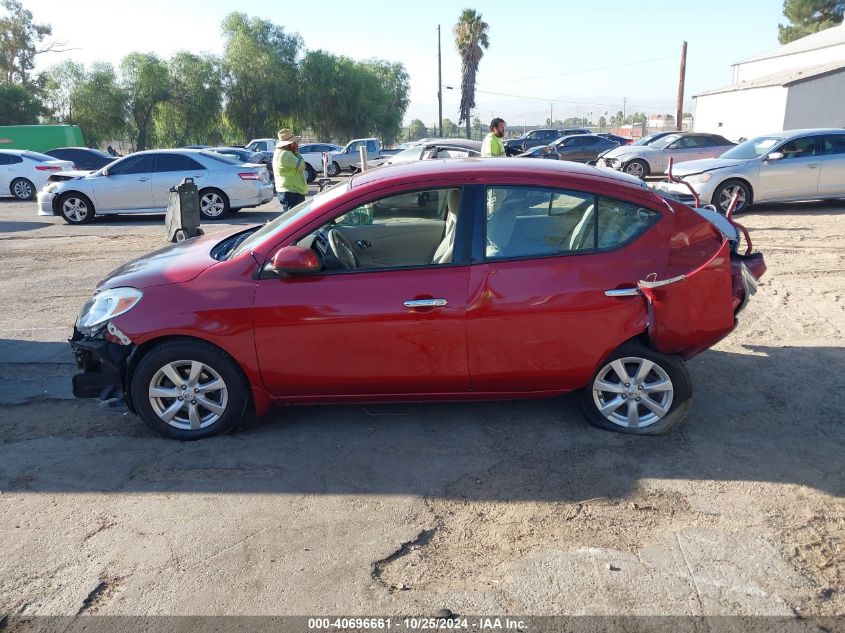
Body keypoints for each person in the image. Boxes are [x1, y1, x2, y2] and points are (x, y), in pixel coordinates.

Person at [272, 129, 308, 211]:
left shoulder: (279, 152)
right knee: (296, 220)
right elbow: (302, 166)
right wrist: (296, 152)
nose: (295, 144)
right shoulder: (286, 154)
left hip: (286, 191)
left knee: (290, 217)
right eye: (293, 142)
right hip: (292, 191)